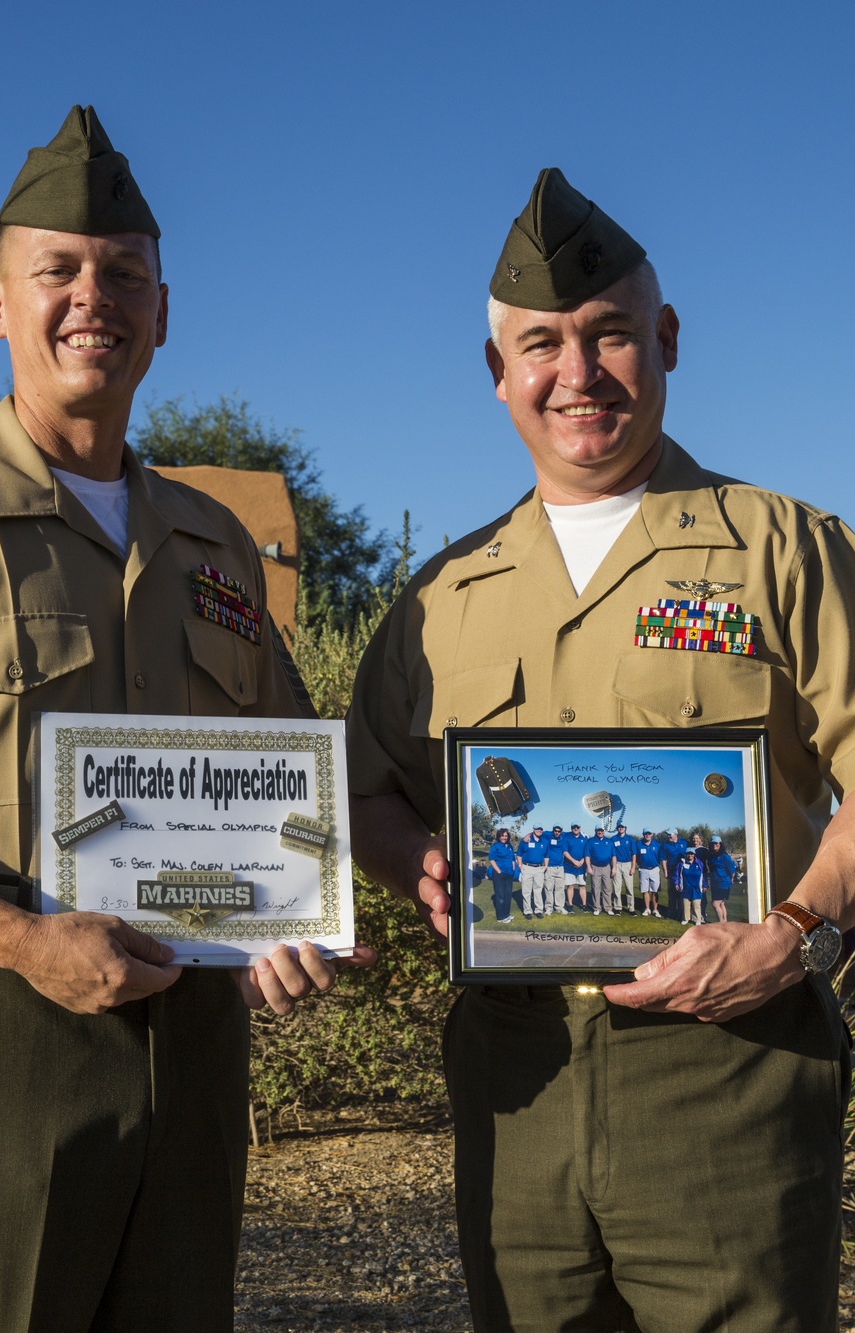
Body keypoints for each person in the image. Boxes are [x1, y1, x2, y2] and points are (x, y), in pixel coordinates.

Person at [0, 105, 372, 1333]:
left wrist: (296, 921)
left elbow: (294, 791)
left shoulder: (216, 540)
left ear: (162, 309)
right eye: (60, 272)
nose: (96, 298)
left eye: (125, 274)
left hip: (193, 1043)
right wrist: (19, 939)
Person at [347, 165, 854, 1331]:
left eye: (608, 335)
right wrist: (411, 863)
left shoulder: (782, 548)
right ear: (497, 373)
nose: (575, 376)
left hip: (727, 1061)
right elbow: (368, 785)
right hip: (512, 1077)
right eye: (540, 345)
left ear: (664, 340)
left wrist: (796, 931)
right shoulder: (441, 595)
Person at [486, 828, 518, 923]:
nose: (504, 837)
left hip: (509, 874)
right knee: (500, 896)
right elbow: (492, 859)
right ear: (499, 836)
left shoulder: (509, 846)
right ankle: (500, 917)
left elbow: (513, 858)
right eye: (502, 835)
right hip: (499, 874)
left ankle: (506, 914)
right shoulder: (496, 846)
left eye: (506, 835)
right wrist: (499, 871)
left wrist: (513, 868)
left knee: (508, 895)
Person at [516, 824, 547, 918]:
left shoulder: (544, 841)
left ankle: (538, 910)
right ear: (533, 829)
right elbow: (519, 854)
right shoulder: (525, 840)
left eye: (541, 829)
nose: (539, 830)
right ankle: (527, 911)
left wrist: (546, 866)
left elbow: (546, 855)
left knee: (538, 890)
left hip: (539, 868)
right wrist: (520, 865)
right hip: (527, 867)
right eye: (537, 829)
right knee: (526, 891)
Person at [585, 825, 615, 915]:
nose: (600, 832)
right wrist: (589, 867)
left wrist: (614, 868)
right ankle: (597, 908)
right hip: (595, 867)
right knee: (595, 889)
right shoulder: (590, 841)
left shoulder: (609, 842)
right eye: (598, 830)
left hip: (607, 867)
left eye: (601, 830)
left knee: (607, 889)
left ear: (604, 831)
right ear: (595, 831)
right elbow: (587, 856)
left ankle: (608, 907)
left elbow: (613, 856)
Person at [709, 834, 738, 924]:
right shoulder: (712, 856)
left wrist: (731, 879)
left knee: (715, 903)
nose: (714, 845)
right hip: (714, 883)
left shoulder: (724, 856)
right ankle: (725, 921)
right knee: (721, 903)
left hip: (723, 883)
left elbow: (732, 870)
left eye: (716, 843)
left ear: (720, 844)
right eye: (713, 843)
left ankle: (721, 923)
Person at [634, 827, 662, 917]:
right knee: (645, 890)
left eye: (649, 833)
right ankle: (647, 908)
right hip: (643, 869)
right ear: (643, 834)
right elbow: (636, 857)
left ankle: (655, 909)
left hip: (654, 869)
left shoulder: (657, 845)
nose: (647, 835)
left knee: (655, 890)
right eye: (646, 833)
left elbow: (660, 857)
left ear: (652, 834)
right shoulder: (638, 844)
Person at [610, 821, 636, 913]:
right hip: (616, 864)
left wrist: (633, 867)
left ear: (625, 828)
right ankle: (617, 907)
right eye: (619, 827)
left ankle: (631, 908)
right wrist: (613, 866)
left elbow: (634, 854)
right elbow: (612, 853)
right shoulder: (613, 839)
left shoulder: (630, 839)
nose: (621, 828)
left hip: (627, 864)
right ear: (617, 828)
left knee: (629, 888)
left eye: (622, 827)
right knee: (617, 888)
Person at [562, 820, 589, 911]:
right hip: (569, 867)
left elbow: (587, 853)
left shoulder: (585, 839)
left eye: (577, 827)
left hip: (582, 867)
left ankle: (584, 905)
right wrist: (574, 861)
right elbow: (565, 852)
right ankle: (570, 905)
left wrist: (581, 861)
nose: (576, 829)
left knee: (582, 885)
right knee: (570, 886)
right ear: (571, 828)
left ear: (580, 828)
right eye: (574, 827)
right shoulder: (566, 838)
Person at [679, 848, 705, 926]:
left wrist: (704, 884)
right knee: (686, 904)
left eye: (692, 854)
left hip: (696, 887)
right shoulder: (682, 863)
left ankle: (697, 919)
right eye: (688, 854)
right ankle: (686, 918)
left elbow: (703, 875)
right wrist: (677, 883)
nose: (690, 855)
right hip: (686, 886)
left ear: (694, 855)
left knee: (696, 904)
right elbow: (677, 874)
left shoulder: (699, 863)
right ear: (686, 854)